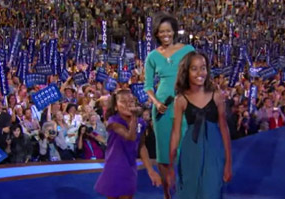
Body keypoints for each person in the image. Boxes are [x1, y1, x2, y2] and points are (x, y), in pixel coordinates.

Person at [168, 52, 232, 199]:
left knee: (212, 191)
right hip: (191, 151)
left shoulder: (216, 96)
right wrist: (170, 165)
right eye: (194, 68)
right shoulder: (181, 100)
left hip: (214, 152)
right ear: (187, 71)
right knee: (190, 191)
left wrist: (228, 162)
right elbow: (176, 133)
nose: (200, 73)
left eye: (203, 68)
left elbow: (224, 129)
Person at [143, 12, 194, 198]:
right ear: (156, 34)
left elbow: (196, 76)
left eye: (168, 31)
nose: (165, 35)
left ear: (174, 32)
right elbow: (147, 86)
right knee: (164, 154)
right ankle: (167, 194)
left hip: (184, 105)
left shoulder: (188, 50)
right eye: (161, 32)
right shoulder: (152, 57)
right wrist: (156, 102)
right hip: (161, 109)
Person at [94, 89, 161, 199]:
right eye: (123, 101)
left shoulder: (141, 123)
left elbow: (141, 146)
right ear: (115, 106)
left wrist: (150, 170)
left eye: (130, 101)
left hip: (130, 167)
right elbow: (131, 137)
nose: (128, 104)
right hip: (114, 167)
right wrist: (134, 117)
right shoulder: (113, 122)